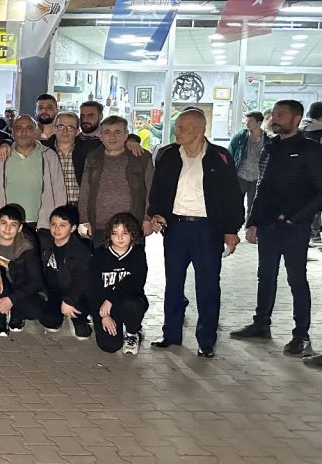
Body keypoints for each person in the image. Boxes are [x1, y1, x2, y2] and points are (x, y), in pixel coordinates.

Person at [230, 100, 322, 360]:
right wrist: (252, 222)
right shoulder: (270, 149)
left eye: (282, 115)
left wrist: (296, 218)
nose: (275, 119)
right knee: (265, 276)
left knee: (296, 280)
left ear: (297, 119)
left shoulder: (310, 150)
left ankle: (301, 335)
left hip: (295, 228)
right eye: (274, 115)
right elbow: (262, 188)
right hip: (268, 225)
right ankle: (261, 324)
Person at [148, 109, 243, 359]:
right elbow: (157, 189)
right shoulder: (169, 155)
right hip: (176, 228)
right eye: (176, 127)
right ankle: (171, 334)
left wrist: (231, 229)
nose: (176, 131)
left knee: (208, 285)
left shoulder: (219, 157)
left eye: (182, 127)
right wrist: (156, 213)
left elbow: (232, 196)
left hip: (207, 230)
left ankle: (206, 340)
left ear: (199, 130)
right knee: (173, 283)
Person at [77, 116, 154, 246]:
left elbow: (150, 189)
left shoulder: (141, 157)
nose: (112, 137)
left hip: (132, 225)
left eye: (117, 132)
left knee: (133, 259)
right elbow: (85, 190)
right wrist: (84, 219)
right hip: (100, 225)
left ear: (126, 135)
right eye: (107, 132)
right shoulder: (92, 157)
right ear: (100, 135)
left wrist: (147, 218)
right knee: (101, 259)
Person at [0, 116, 66, 229]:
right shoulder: (1, 157)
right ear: (12, 132)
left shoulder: (49, 156)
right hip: (8, 225)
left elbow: (59, 191)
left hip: (41, 225)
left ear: (36, 132)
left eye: (29, 128)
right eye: (19, 128)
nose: (23, 132)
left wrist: (59, 223)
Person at [0, 204, 46, 336]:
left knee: (34, 309)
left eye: (13, 225)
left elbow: (36, 281)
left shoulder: (26, 247)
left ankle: (16, 314)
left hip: (19, 286)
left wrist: (12, 299)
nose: (7, 229)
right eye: (3, 223)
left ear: (20, 228)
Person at [89, 212, 149, 355]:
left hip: (125, 302)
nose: (120, 238)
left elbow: (135, 283)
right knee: (109, 345)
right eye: (115, 233)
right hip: (104, 306)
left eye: (125, 233)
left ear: (133, 235)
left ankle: (132, 333)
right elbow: (93, 288)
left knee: (134, 304)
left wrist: (111, 299)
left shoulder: (138, 254)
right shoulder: (100, 254)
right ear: (109, 236)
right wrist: (104, 316)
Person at [38, 205, 93, 339]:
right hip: (52, 291)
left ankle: (79, 321)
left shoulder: (81, 250)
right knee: (49, 321)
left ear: (72, 228)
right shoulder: (44, 243)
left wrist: (69, 300)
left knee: (79, 309)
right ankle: (59, 315)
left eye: (62, 225)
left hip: (74, 292)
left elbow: (82, 281)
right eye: (54, 224)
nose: (56, 229)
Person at [43, 112, 98, 207]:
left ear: (77, 132)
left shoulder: (89, 149)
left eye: (70, 127)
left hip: (81, 206)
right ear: (54, 129)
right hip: (53, 206)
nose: (65, 131)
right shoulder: (43, 150)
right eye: (60, 126)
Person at [228, 111, 271, 217]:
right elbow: (229, 155)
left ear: (259, 123)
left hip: (257, 178)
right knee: (236, 204)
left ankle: (249, 225)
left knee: (253, 206)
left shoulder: (267, 140)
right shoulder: (240, 137)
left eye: (250, 121)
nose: (247, 123)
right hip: (240, 176)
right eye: (246, 120)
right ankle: (236, 224)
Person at [303, 101, 322, 246]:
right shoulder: (319, 132)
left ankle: (309, 234)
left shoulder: (302, 129)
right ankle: (314, 234)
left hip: (303, 174)